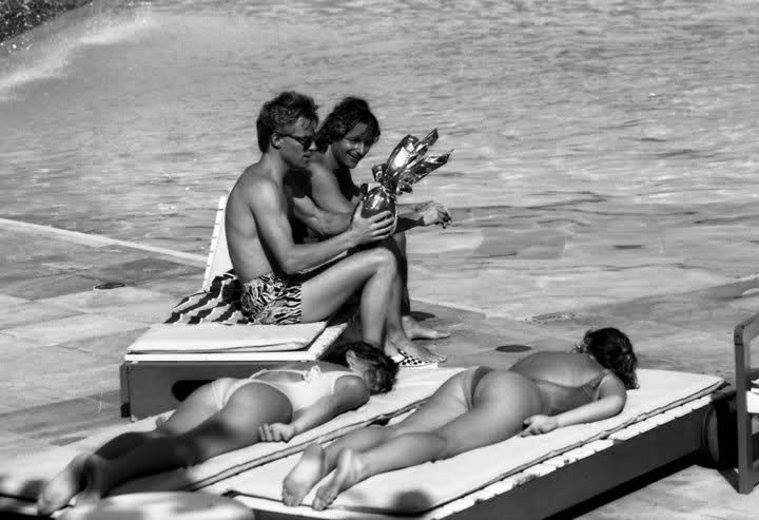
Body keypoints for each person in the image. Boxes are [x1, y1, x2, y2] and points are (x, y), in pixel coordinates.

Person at [282, 327, 638, 510]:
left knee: (400, 429)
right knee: (444, 443)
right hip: (516, 396)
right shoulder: (605, 378)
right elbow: (611, 405)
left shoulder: (551, 355)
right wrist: (556, 422)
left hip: (475, 378)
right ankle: (360, 466)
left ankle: (324, 456)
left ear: (584, 348)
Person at [36, 342, 398, 515]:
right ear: (354, 358)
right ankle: (107, 473)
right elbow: (331, 404)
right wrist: (295, 428)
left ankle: (83, 467)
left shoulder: (305, 362)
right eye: (378, 372)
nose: (379, 384)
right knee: (195, 448)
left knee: (159, 436)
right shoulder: (353, 382)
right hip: (267, 398)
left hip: (226, 387)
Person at [221, 91, 418, 361]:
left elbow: (322, 221)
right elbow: (290, 260)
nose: (313, 147)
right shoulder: (261, 187)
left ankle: (383, 343)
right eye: (304, 140)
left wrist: (382, 208)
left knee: (377, 246)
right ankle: (372, 360)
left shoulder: (282, 181)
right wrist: (353, 237)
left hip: (284, 287)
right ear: (277, 139)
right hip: (272, 304)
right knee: (381, 260)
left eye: (313, 138)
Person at [289, 96, 452, 345]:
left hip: (326, 258)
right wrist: (418, 219)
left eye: (367, 143)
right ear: (334, 133)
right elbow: (362, 221)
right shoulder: (318, 169)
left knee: (395, 233)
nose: (361, 150)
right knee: (388, 236)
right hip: (306, 270)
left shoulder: (338, 168)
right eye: (354, 140)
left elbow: (364, 206)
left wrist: (417, 207)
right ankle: (397, 332)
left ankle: (404, 319)